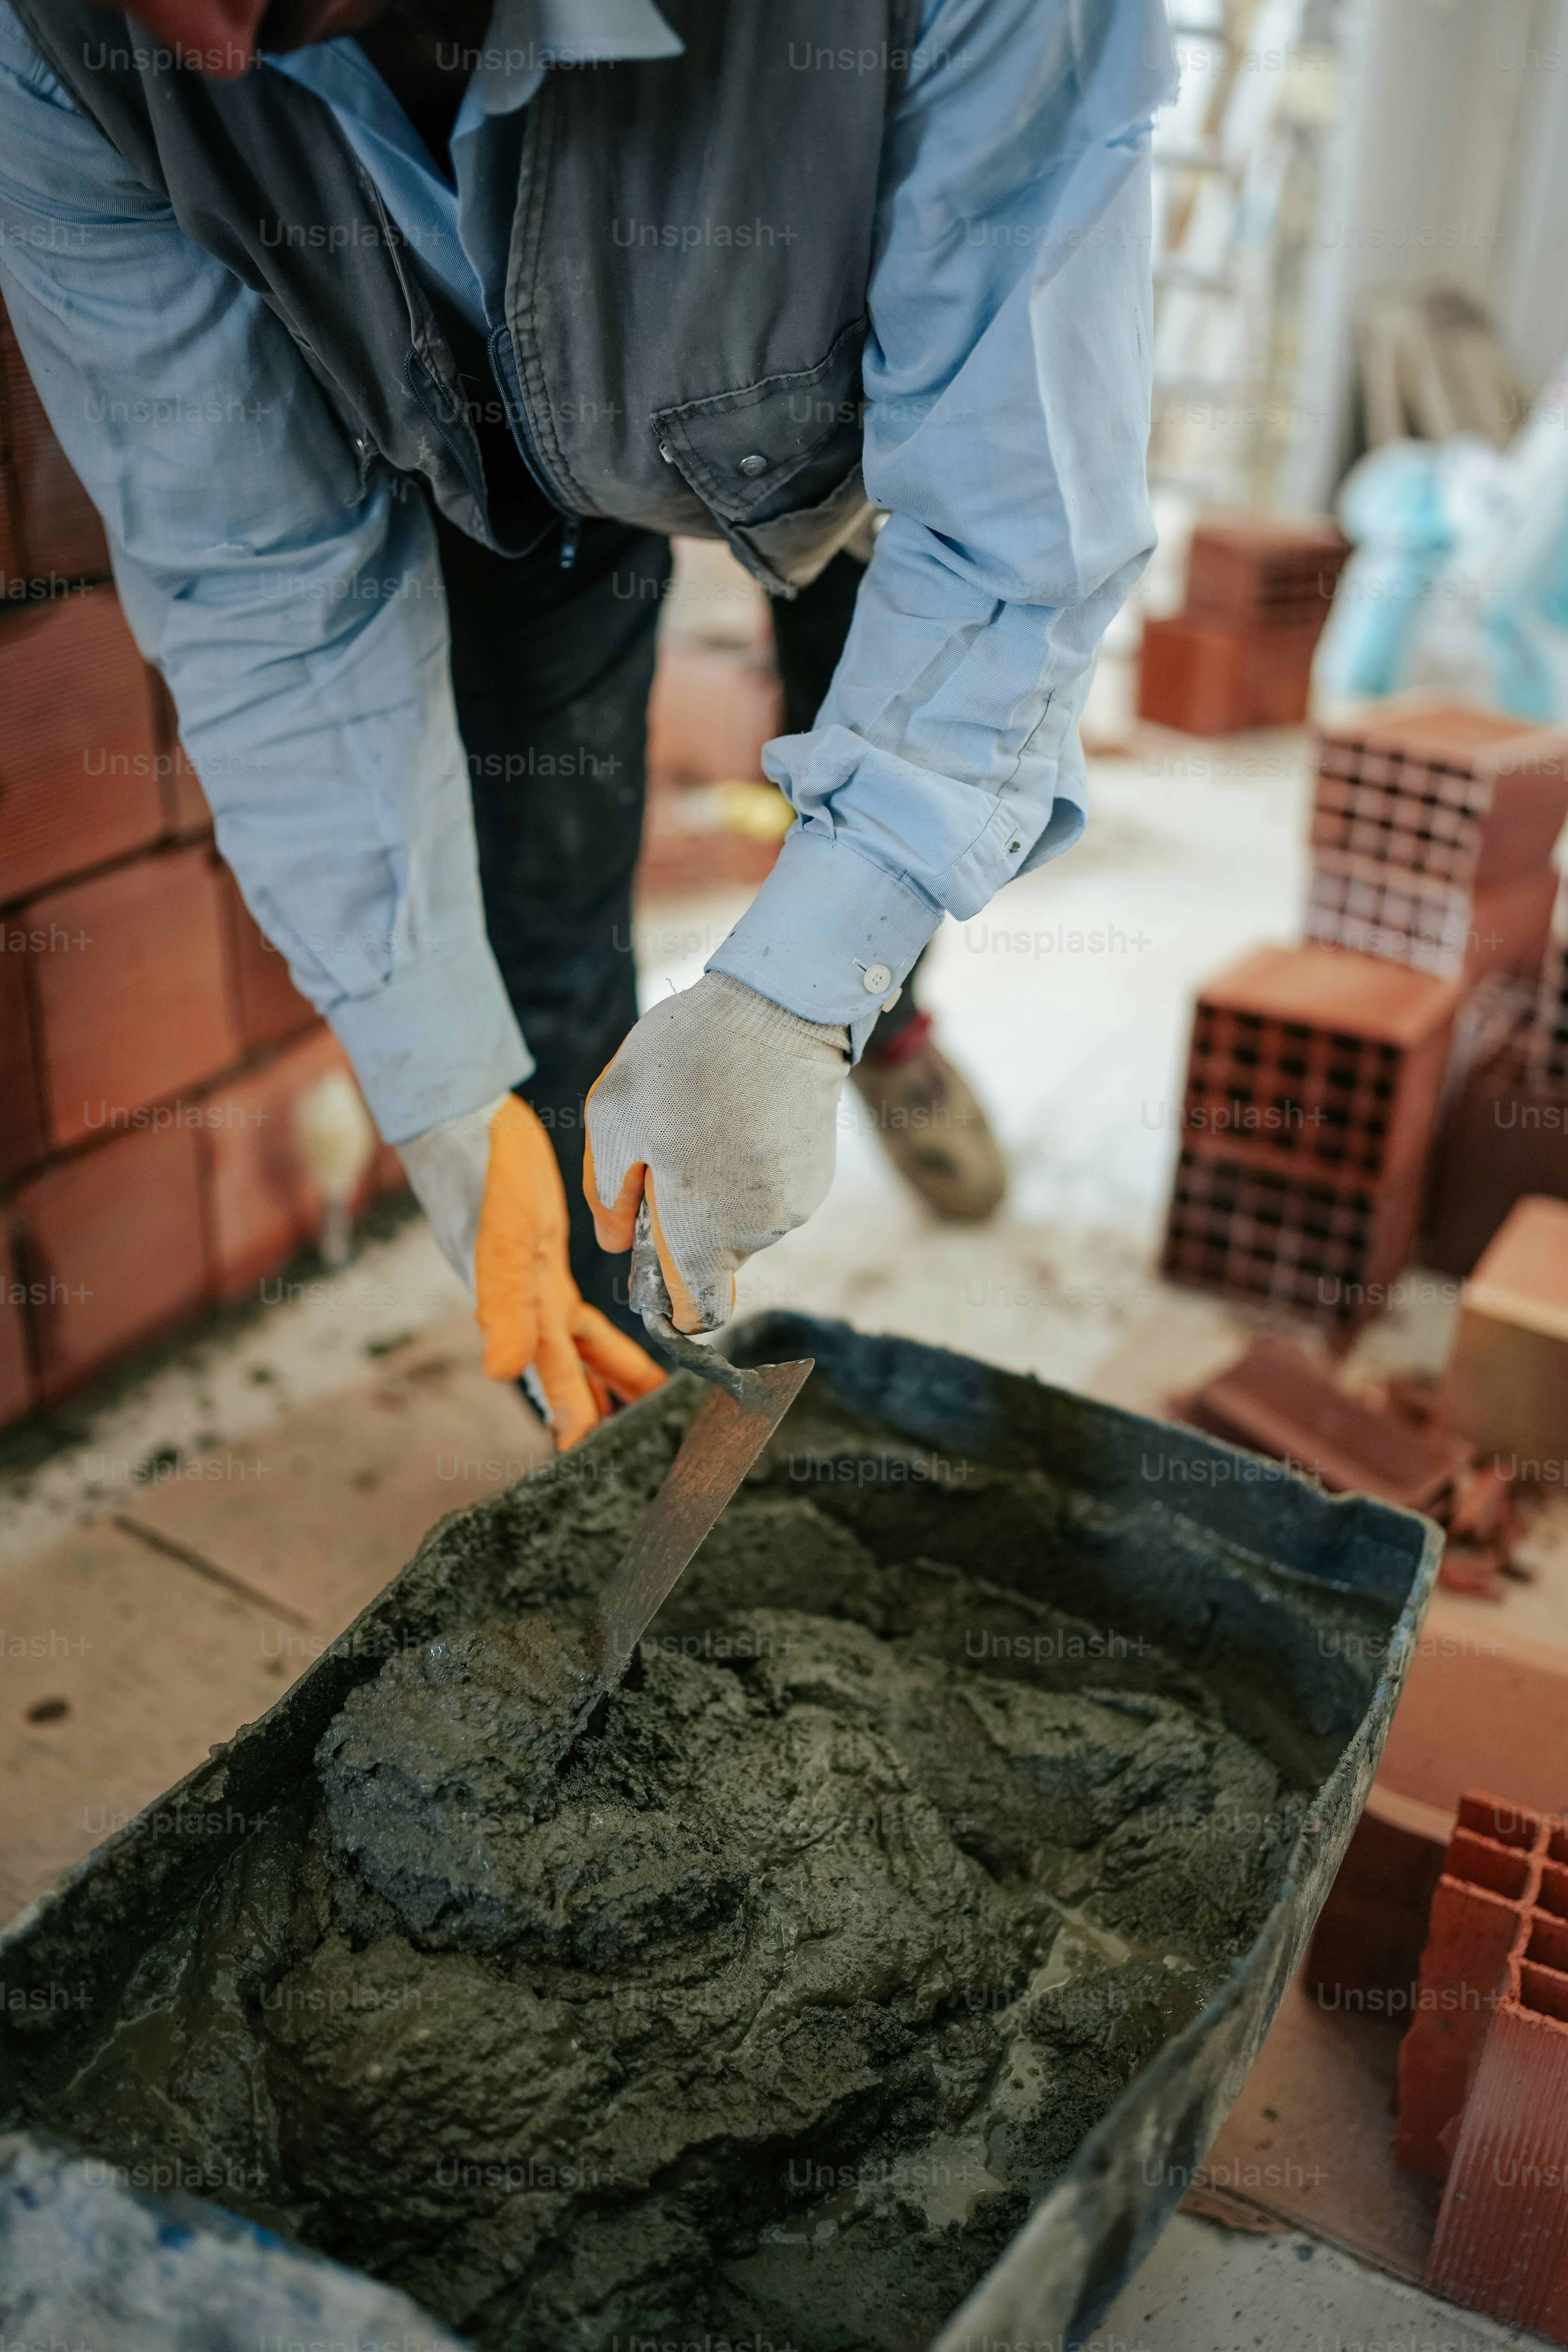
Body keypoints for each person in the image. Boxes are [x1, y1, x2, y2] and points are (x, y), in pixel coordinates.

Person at [0, 0, 1172, 1446]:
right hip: (492, 454)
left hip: (850, 393)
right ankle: (618, 1411)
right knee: (532, 902)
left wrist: (801, 988)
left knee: (874, 755)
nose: (215, 51)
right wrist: (436, 1079)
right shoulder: (61, 48)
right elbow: (255, 576)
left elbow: (1015, 514)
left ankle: (886, 1027)